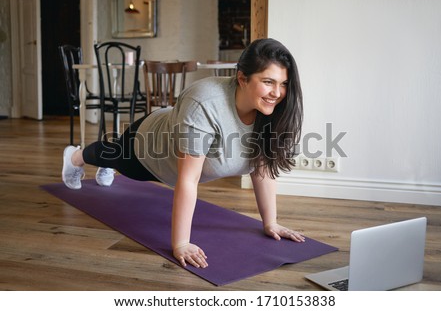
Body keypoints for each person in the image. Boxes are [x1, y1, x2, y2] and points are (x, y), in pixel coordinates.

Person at [62, 38, 305, 269]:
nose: (278, 92)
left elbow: (262, 168)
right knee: (114, 156)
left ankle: (105, 161)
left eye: (283, 84)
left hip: (177, 129)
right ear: (242, 78)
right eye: (269, 82)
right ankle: (76, 157)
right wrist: (180, 243)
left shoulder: (270, 111)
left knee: (113, 154)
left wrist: (270, 222)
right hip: (149, 147)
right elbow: (188, 180)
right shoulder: (206, 103)